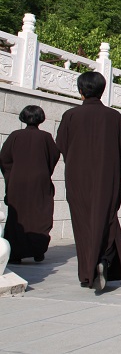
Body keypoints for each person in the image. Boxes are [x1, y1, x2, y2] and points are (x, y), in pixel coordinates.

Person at [55, 72, 121, 290]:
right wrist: (114, 173)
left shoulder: (70, 115)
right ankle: (104, 259)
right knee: (106, 218)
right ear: (103, 90)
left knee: (83, 223)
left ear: (80, 90)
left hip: (78, 178)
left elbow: (62, 145)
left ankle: (88, 272)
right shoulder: (113, 116)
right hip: (106, 177)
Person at [0, 105, 60, 264]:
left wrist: (11, 176)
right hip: (40, 183)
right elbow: (54, 156)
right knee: (40, 214)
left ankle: (16, 253)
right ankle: (37, 250)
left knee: (17, 217)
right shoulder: (46, 137)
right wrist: (44, 171)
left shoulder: (15, 136)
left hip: (17, 182)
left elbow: (4, 159)